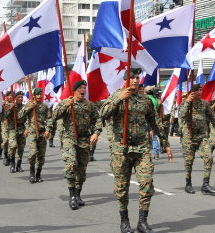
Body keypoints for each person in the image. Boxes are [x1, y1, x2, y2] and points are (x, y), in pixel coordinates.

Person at [100, 69, 172, 233]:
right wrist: (119, 99)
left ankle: (142, 222)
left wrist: (165, 143)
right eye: (132, 77)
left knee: (147, 183)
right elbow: (102, 114)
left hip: (142, 148)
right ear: (125, 80)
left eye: (137, 77)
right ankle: (124, 221)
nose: (135, 80)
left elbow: (154, 121)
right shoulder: (116, 95)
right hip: (121, 149)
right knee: (121, 187)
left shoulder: (144, 99)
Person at [53, 80, 102, 210]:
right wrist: (65, 106)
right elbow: (54, 116)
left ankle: (78, 194)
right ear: (74, 90)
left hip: (84, 140)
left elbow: (97, 120)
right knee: (71, 165)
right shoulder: (66, 102)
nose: (83, 90)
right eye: (80, 88)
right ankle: (72, 195)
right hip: (69, 138)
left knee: (81, 169)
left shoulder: (90, 105)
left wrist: (96, 133)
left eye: (84, 88)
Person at [179, 83, 215, 195]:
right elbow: (182, 115)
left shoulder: (205, 104)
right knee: (189, 161)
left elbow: (213, 118)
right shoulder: (185, 103)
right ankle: (188, 183)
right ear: (192, 92)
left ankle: (206, 184)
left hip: (202, 136)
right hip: (189, 137)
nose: (200, 92)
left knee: (209, 157)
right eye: (198, 90)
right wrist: (188, 101)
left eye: (201, 90)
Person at [19, 88, 52, 183]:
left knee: (41, 155)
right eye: (38, 95)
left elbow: (49, 118)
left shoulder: (44, 106)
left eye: (41, 94)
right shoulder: (29, 105)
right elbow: (20, 116)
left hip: (42, 132)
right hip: (32, 132)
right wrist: (29, 107)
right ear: (34, 95)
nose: (39, 96)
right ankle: (32, 173)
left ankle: (38, 174)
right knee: (33, 153)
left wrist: (48, 130)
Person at [6, 91, 27, 173]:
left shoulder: (24, 107)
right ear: (15, 98)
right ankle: (12, 164)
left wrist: (27, 129)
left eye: (22, 97)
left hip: (22, 128)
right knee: (13, 146)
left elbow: (28, 118)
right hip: (12, 128)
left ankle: (19, 165)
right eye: (19, 97)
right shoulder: (11, 106)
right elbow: (6, 116)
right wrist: (11, 108)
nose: (21, 99)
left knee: (21, 148)